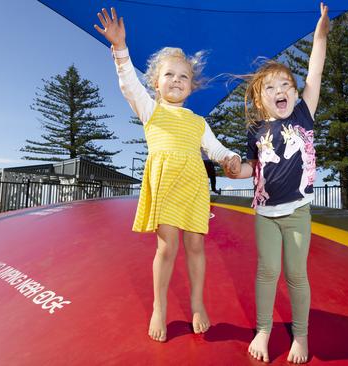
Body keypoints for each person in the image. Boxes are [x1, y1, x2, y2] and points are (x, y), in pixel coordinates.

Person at [95, 8, 241, 342]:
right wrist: (120, 49)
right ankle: (159, 306)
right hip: (165, 185)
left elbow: (216, 150)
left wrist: (230, 158)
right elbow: (128, 84)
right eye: (169, 75)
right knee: (167, 247)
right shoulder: (151, 110)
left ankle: (197, 304)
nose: (176, 80)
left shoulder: (198, 122)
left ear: (193, 85)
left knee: (195, 246)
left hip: (192, 188)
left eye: (183, 76)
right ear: (156, 83)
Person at [222, 3, 329, 363]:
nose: (281, 89)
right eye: (272, 87)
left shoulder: (303, 113)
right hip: (266, 213)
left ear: (296, 94)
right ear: (259, 97)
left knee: (296, 274)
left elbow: (315, 71)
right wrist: (234, 171)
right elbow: (254, 167)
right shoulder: (256, 130)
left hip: (297, 211)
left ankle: (301, 335)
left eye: (287, 84)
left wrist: (320, 36)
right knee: (267, 272)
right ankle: (264, 329)